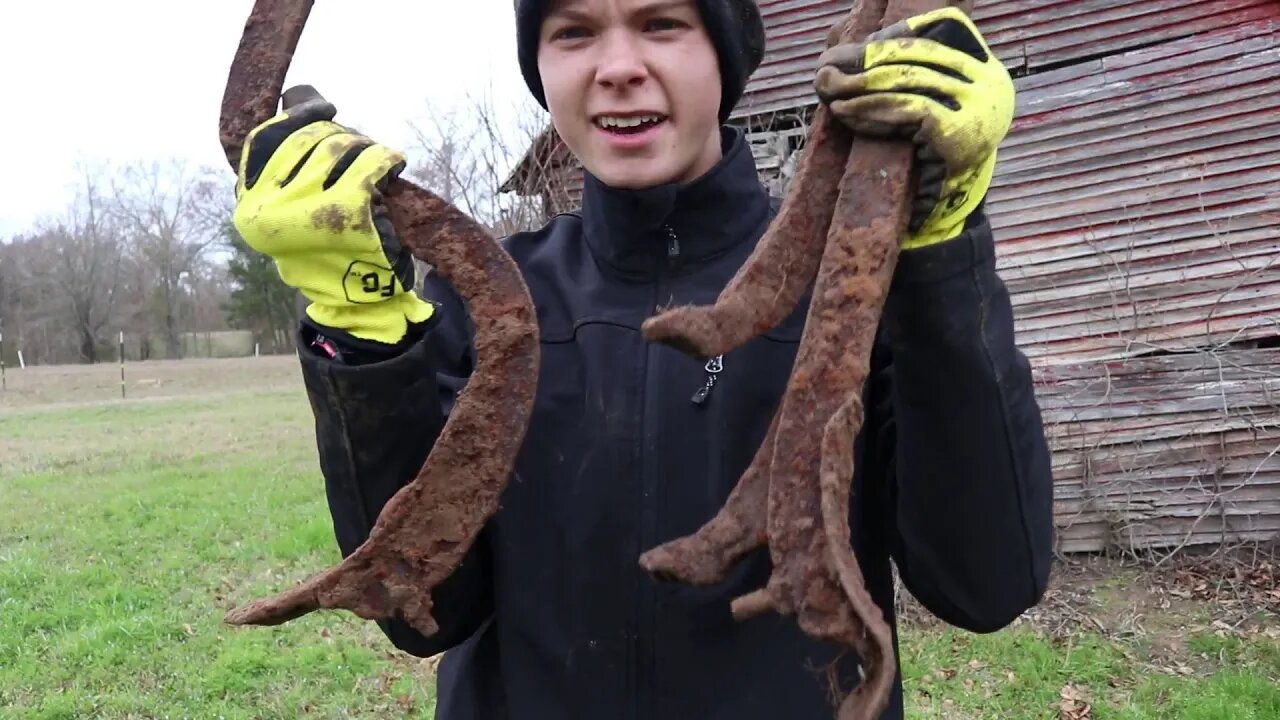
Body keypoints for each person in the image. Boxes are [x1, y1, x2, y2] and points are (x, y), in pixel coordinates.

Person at [230, 0, 1055, 717]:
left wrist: (945, 256)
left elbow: (984, 584)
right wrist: (362, 327)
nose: (618, 67)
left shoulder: (849, 291)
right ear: (541, 67)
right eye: (574, 32)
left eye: (663, 23)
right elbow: (425, 613)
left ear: (725, 57)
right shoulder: (483, 303)